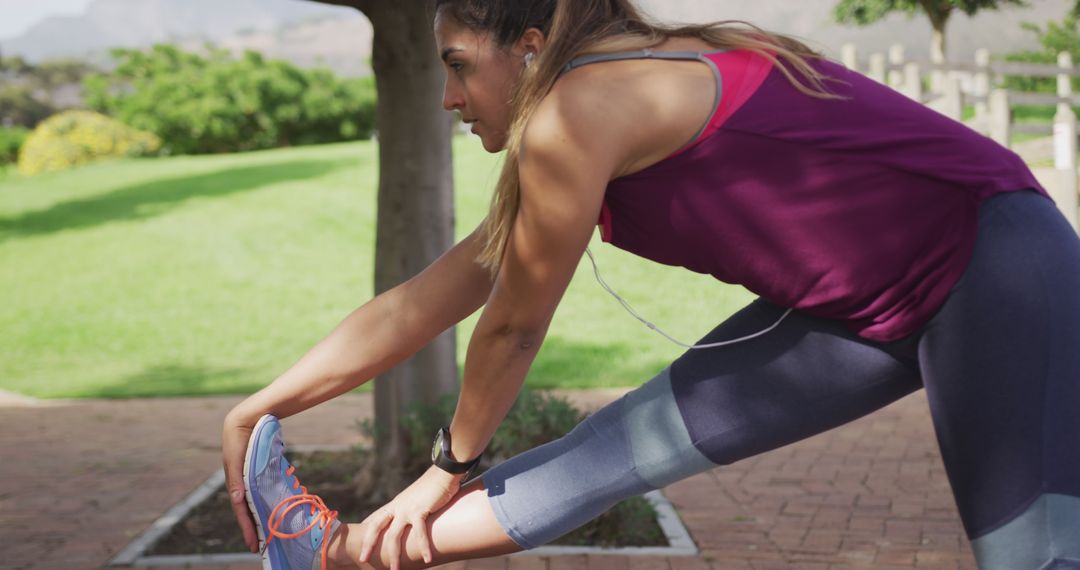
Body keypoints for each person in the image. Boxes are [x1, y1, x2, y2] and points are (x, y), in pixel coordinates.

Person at [222, 1, 1080, 569]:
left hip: (993, 265)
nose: (448, 96)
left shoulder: (581, 110)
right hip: (860, 307)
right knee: (605, 457)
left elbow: (514, 327)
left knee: (1036, 554)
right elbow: (432, 296)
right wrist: (258, 406)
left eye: (456, 64)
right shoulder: (587, 109)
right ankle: (327, 552)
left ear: (528, 49)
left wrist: (444, 468)